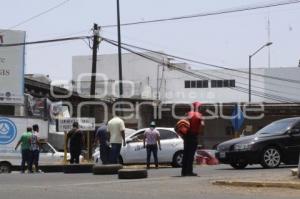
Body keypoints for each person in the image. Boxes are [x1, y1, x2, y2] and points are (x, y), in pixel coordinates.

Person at [181, 101, 205, 176]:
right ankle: (189, 171)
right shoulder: (199, 115)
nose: (201, 108)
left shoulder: (187, 114)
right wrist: (200, 132)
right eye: (200, 107)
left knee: (186, 154)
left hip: (186, 136)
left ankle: (183, 172)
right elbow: (202, 125)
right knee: (191, 155)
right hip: (193, 136)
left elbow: (182, 122)